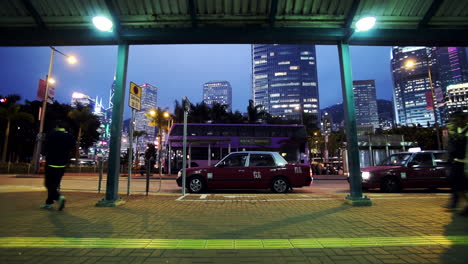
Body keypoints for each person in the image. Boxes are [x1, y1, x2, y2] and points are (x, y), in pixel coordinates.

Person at [40, 121, 76, 210]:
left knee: (48, 184)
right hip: (62, 164)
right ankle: (49, 203)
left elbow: (45, 148)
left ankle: (58, 197)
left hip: (51, 163)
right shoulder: (69, 136)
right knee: (55, 184)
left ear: (56, 126)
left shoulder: (51, 134)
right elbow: (73, 147)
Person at [444, 111, 468, 216]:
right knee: (459, 187)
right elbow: (450, 147)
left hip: (464, 163)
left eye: (456, 119)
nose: (455, 122)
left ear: (464, 119)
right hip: (456, 163)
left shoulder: (465, 131)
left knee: (462, 186)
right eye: (453, 120)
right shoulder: (456, 131)